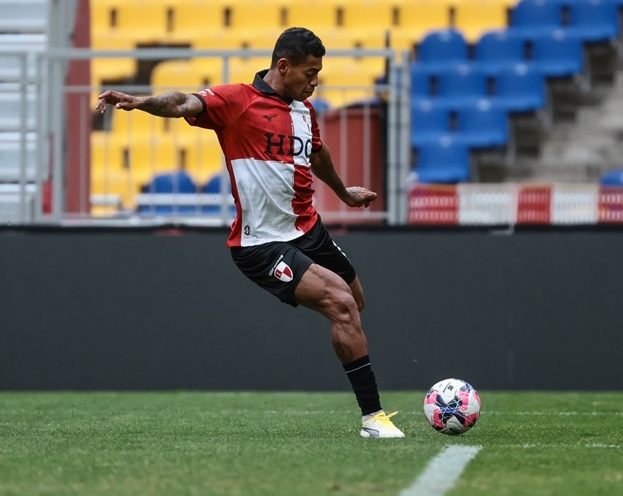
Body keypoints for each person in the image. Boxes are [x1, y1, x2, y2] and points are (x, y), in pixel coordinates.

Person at [95, 27, 405, 439]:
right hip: (261, 243)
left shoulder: (303, 112)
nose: (315, 82)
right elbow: (183, 102)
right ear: (283, 66)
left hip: (308, 228)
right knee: (342, 305)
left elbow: (317, 153)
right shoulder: (237, 102)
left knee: (356, 302)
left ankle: (348, 354)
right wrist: (141, 102)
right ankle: (373, 419)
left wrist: (344, 193)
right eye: (310, 73)